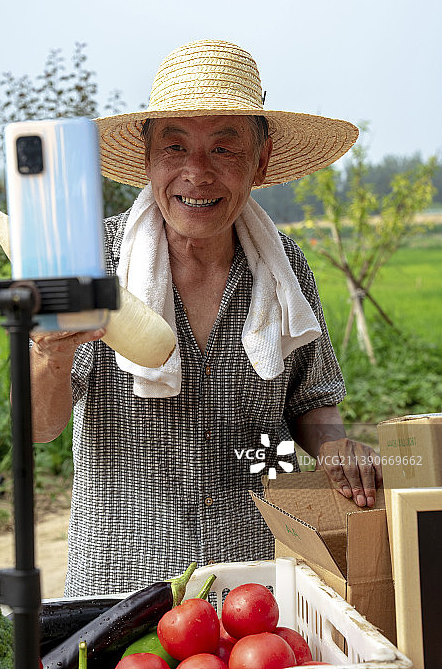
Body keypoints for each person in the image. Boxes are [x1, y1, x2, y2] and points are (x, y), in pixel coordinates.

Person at [29, 39, 383, 596]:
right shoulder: (88, 263)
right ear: (147, 159)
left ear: (259, 161)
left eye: (224, 149)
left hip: (256, 586)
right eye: (174, 147)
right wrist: (50, 356)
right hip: (119, 585)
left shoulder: (283, 267)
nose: (197, 174)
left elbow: (311, 403)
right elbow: (39, 427)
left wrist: (336, 446)